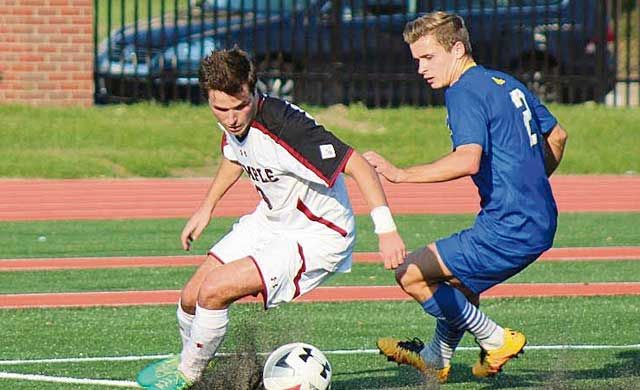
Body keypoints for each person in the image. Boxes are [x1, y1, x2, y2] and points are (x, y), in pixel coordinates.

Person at [135, 47, 406, 390]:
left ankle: (189, 374)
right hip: (272, 219)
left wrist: (387, 231)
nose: (232, 118)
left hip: (317, 234)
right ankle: (194, 363)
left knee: (214, 291)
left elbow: (358, 164)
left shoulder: (287, 126)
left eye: (240, 106)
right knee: (191, 296)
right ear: (208, 99)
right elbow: (235, 155)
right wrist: (207, 208)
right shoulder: (233, 122)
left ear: (254, 90)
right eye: (221, 109)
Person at [364, 11, 568, 383]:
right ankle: (435, 358)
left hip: (510, 224)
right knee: (457, 284)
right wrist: (531, 184)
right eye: (417, 61)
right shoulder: (506, 82)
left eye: (428, 58)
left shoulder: (462, 90)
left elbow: (467, 159)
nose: (421, 69)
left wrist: (400, 174)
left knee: (409, 273)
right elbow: (558, 136)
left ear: (457, 49)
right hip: (538, 218)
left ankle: (495, 339)